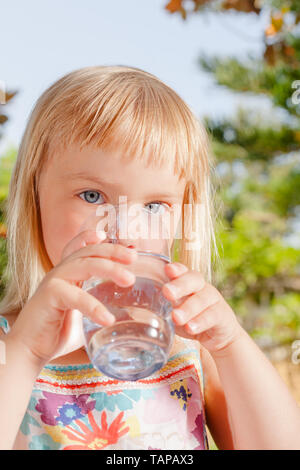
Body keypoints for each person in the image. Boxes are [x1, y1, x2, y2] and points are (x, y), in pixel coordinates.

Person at [0, 65, 299, 451]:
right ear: (34, 199)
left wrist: (231, 345)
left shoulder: (192, 351)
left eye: (155, 205)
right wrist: (25, 354)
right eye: (93, 196)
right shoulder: (10, 346)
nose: (126, 230)